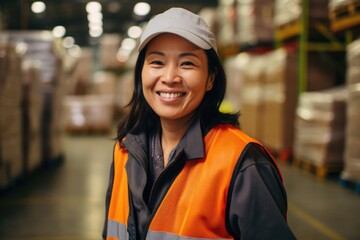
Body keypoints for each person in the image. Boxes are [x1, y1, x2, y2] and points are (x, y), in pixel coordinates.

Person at [103, 7, 296, 240]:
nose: (169, 77)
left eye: (187, 64)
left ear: (211, 78)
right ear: (140, 73)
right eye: (157, 62)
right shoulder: (124, 150)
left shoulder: (242, 162)